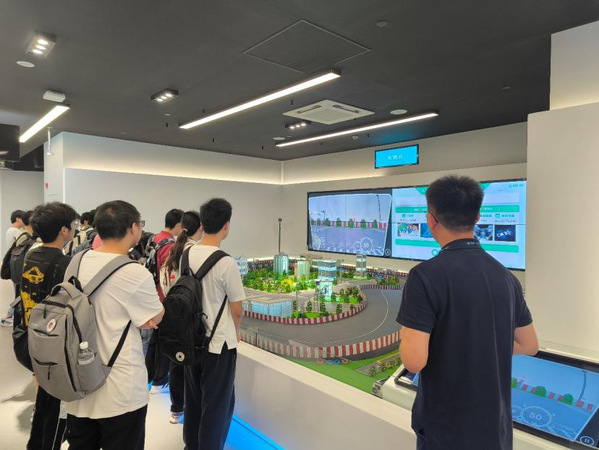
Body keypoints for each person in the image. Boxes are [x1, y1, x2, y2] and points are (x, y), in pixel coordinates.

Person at [396, 175, 539, 450]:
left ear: (431, 220)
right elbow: (529, 344)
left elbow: (413, 361)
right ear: (477, 218)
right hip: (496, 434)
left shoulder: (424, 276)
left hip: (445, 432)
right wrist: (481, 344)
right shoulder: (506, 277)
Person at [65, 200, 164, 450]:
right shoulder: (134, 272)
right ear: (133, 227)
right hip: (120, 388)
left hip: (78, 383)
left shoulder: (76, 261)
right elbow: (154, 317)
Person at [183, 198, 245, 450]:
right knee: (218, 405)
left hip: (191, 341)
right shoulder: (226, 262)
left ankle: (191, 445)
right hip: (218, 345)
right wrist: (237, 332)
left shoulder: (187, 254)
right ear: (226, 225)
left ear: (202, 223)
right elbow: (237, 310)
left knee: (193, 400)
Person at [20, 202, 78, 450]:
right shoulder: (65, 263)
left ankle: (35, 445)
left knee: (44, 400)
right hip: (54, 344)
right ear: (63, 230)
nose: (75, 229)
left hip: (32, 336)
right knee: (57, 410)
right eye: (73, 225)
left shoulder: (31, 255)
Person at [157, 210, 202, 425]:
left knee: (176, 361)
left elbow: (164, 283)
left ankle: (176, 408)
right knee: (192, 363)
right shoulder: (195, 253)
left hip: (170, 312)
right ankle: (193, 410)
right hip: (190, 316)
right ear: (200, 228)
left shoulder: (172, 250)